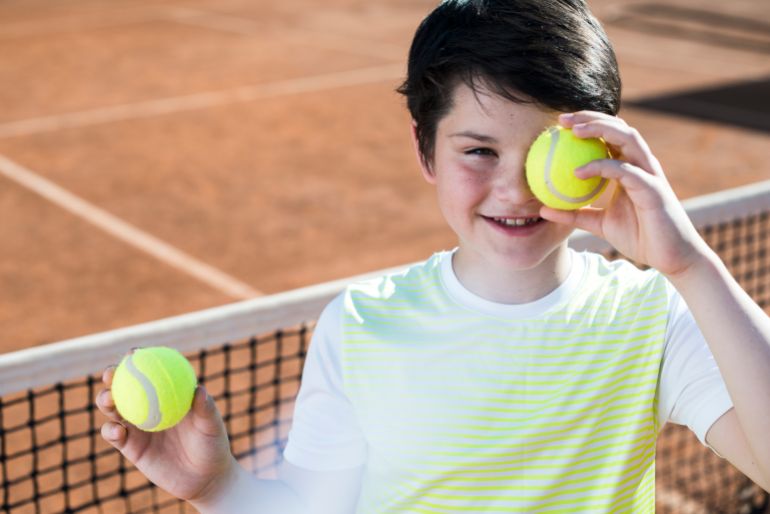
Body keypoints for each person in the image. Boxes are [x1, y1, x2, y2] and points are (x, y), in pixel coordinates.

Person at [95, 0, 770, 511]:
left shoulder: (650, 313)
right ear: (424, 149)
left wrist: (689, 267)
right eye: (479, 151)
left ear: (603, 153)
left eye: (546, 156)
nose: (514, 190)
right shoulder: (359, 326)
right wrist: (221, 488)